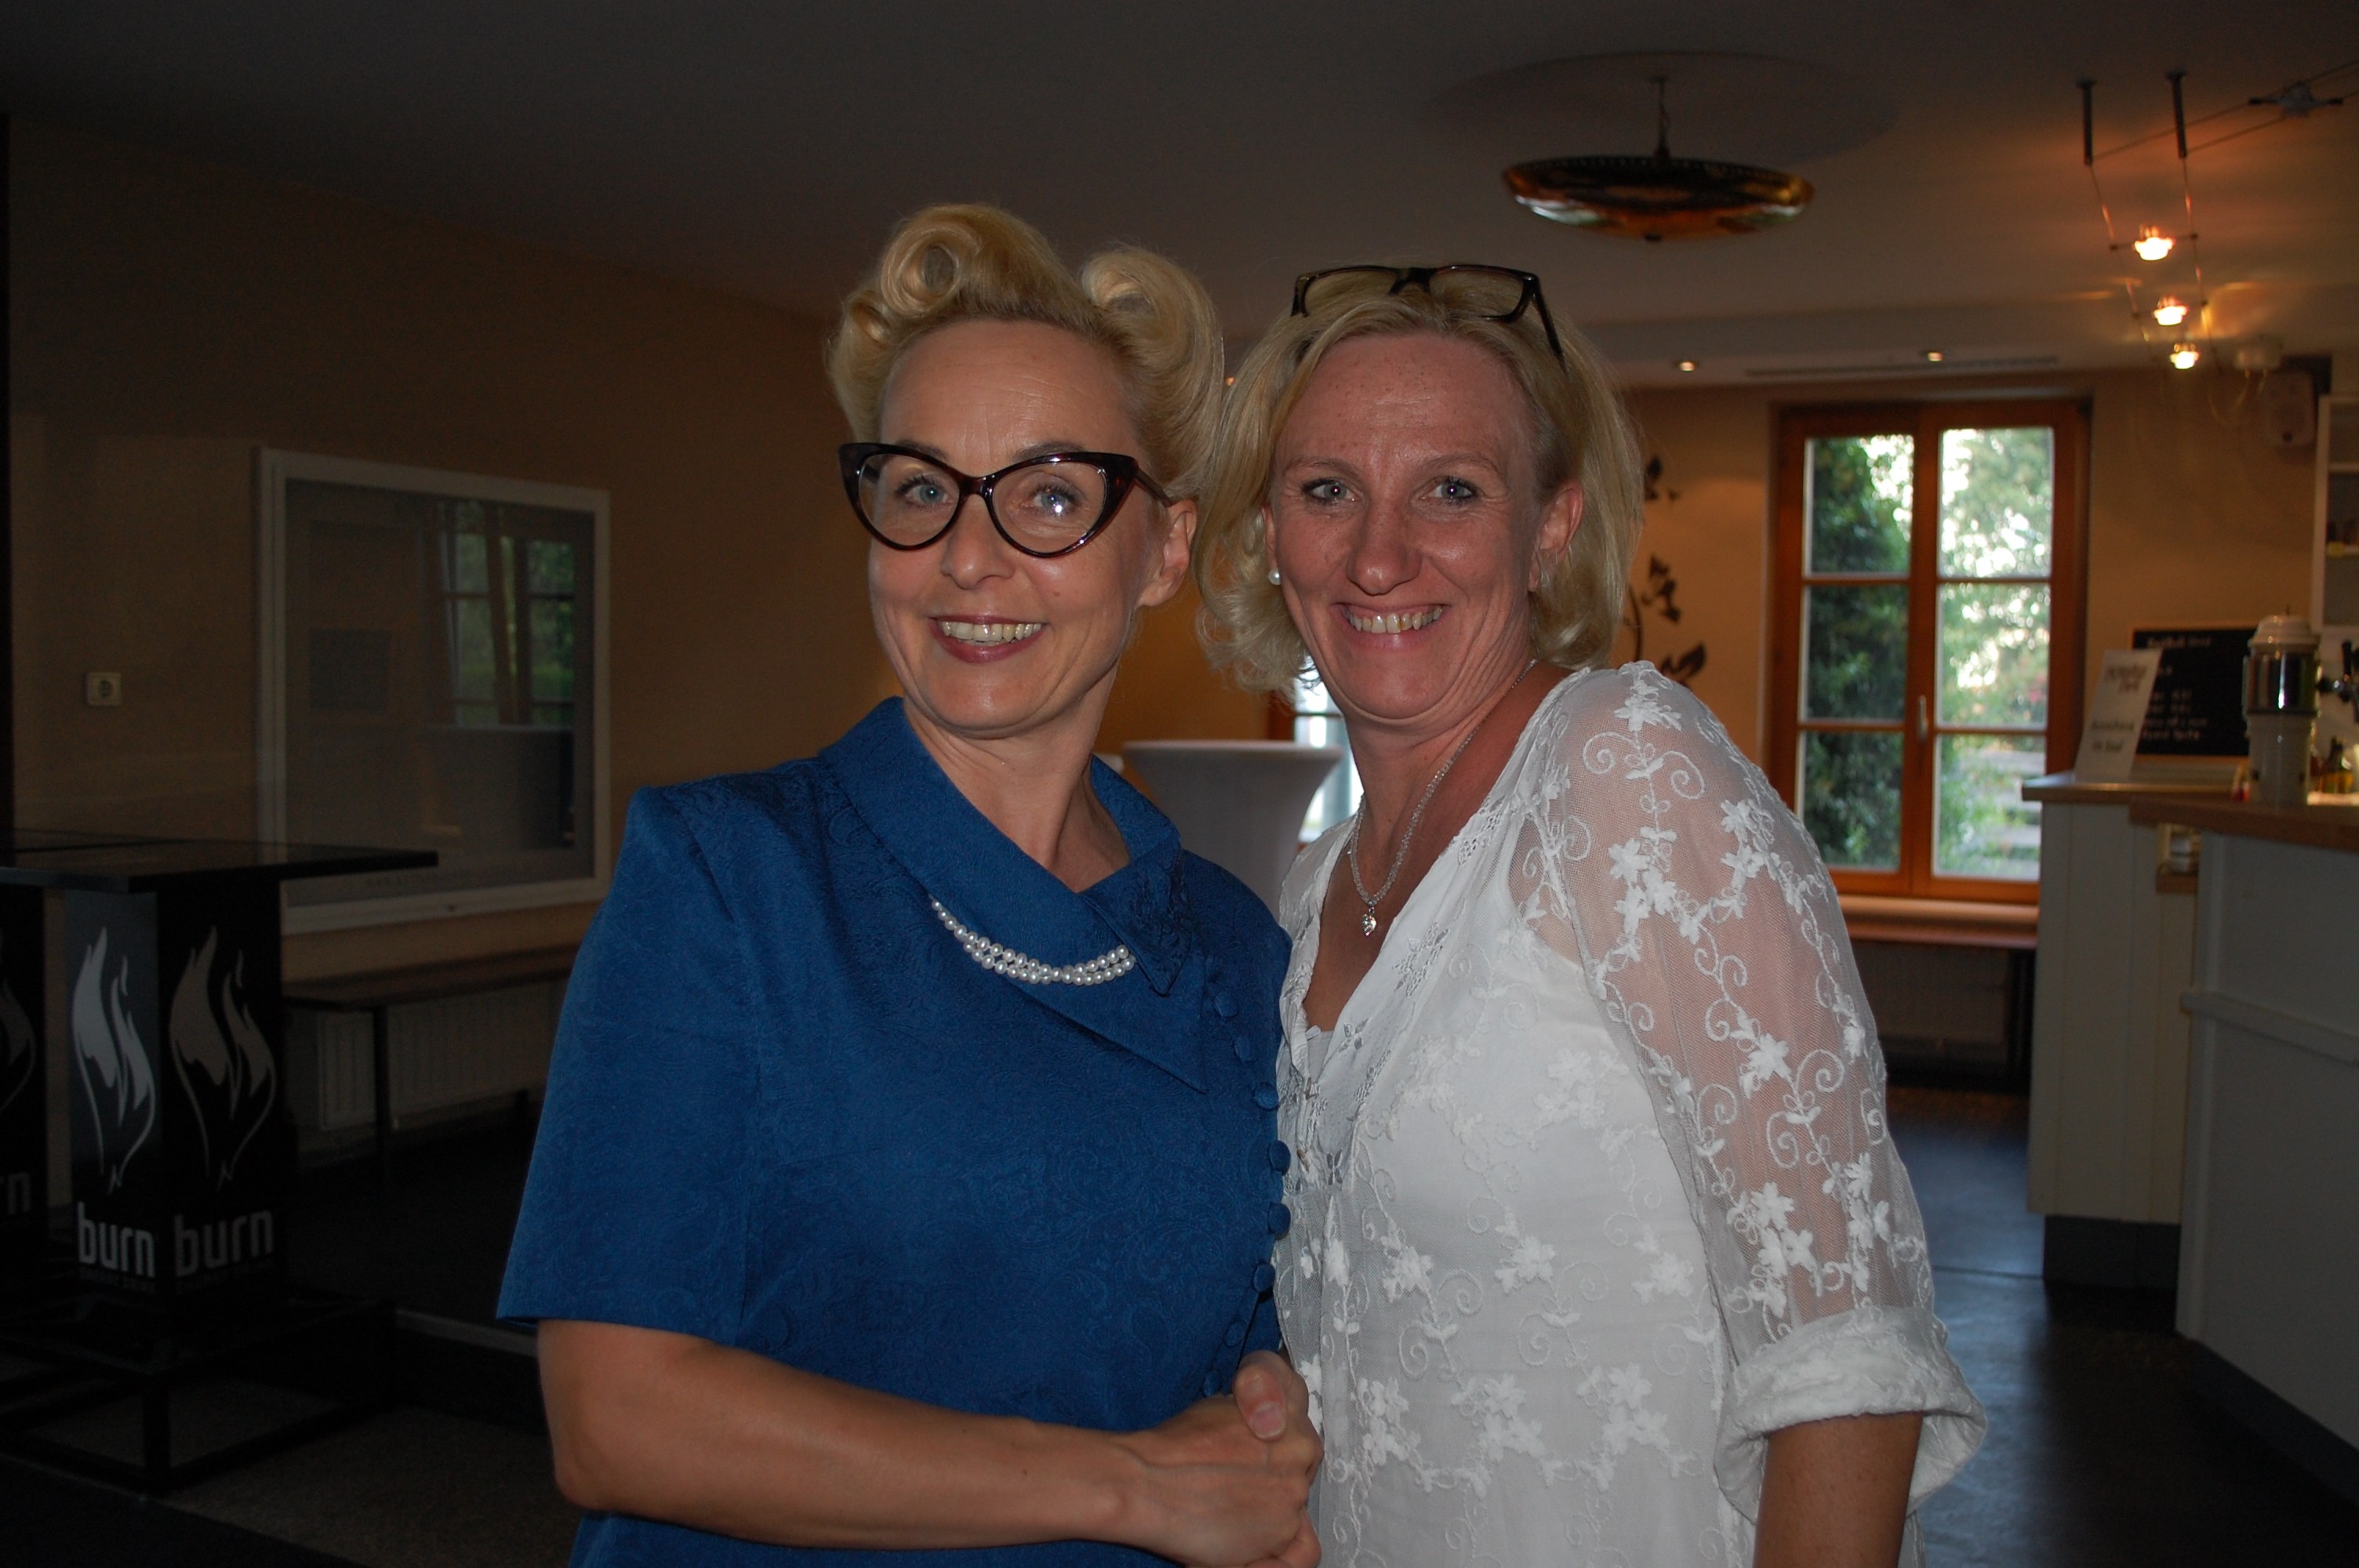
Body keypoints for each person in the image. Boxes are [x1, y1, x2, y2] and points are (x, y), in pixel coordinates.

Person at [500, 205, 1320, 1567]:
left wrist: (1267, 1400)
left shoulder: (1231, 944)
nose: (968, 555)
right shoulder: (727, 879)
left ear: (1166, 549)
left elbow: (1242, 1309)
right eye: (922, 487)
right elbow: (617, 1417)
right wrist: (1127, 1486)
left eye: (1049, 495)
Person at [1194, 264, 1985, 1567]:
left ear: (1552, 527)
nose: (1378, 555)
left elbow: (1849, 1352)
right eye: (1326, 489)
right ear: (1270, 531)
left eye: (1453, 490)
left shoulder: (1624, 775)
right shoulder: (1316, 881)